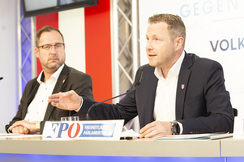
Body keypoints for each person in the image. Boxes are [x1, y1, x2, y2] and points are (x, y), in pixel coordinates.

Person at [48, 14, 234, 138]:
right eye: (147, 39)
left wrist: (173, 127)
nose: (148, 46)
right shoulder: (144, 74)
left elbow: (224, 120)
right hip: (151, 156)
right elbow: (119, 113)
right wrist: (80, 103)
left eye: (156, 39)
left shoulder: (206, 70)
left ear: (178, 43)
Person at [5, 26, 94, 134]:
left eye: (58, 46)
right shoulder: (31, 85)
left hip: (55, 148)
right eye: (47, 46)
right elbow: (17, 120)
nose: (53, 51)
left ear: (64, 49)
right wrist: (16, 127)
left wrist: (36, 126)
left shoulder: (78, 80)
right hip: (24, 146)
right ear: (37, 52)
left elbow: (82, 122)